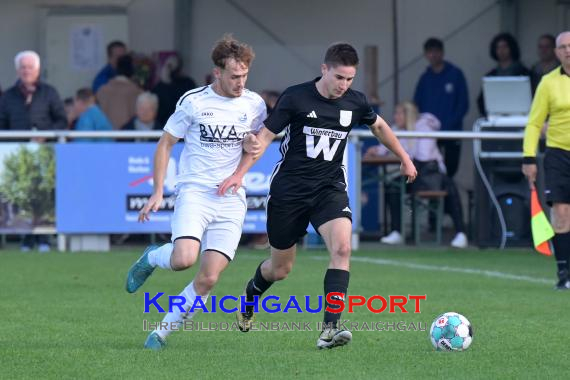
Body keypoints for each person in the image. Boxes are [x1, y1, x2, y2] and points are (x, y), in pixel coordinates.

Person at [219, 43, 417, 349]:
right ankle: (251, 294)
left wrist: (404, 156)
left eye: (350, 79)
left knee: (342, 250)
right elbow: (266, 136)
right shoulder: (296, 96)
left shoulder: (355, 102)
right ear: (324, 69)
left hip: (329, 190)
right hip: (290, 192)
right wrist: (239, 173)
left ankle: (329, 329)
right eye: (339, 77)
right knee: (280, 270)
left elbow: (378, 126)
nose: (344, 85)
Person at [125, 35, 266, 350]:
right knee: (184, 259)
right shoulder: (194, 101)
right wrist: (158, 190)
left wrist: (249, 150)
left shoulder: (254, 104)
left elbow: (256, 145)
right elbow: (165, 144)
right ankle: (152, 257)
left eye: (244, 76)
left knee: (209, 278)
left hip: (231, 199)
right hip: (195, 192)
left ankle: (160, 334)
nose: (240, 82)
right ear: (217, 72)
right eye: (233, 76)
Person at [366, 101, 468, 248]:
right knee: (393, 186)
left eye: (398, 113)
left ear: (408, 115)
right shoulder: (396, 129)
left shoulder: (424, 126)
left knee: (450, 187)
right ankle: (397, 232)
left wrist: (404, 155)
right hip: (412, 175)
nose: (395, 117)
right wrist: (375, 150)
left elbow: (423, 156)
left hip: (430, 173)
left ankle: (461, 233)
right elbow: (384, 147)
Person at [0, 50, 66, 252]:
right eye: (23, 67)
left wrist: (47, 135)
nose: (26, 71)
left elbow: (62, 121)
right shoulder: (8, 96)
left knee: (44, 195)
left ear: (37, 70)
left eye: (30, 67)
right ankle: (26, 239)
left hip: (45, 154)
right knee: (20, 195)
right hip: (16, 155)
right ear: (17, 70)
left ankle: (44, 238)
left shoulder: (49, 93)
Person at [522, 31, 570, 290]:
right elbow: (534, 123)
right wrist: (528, 157)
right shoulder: (548, 83)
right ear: (556, 53)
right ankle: (564, 273)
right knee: (561, 213)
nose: (568, 50)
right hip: (558, 154)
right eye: (563, 47)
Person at [413, 37, 468, 179]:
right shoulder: (425, 78)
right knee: (429, 170)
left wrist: (448, 125)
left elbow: (463, 104)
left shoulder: (455, 74)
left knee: (450, 170)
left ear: (442, 53)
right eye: (429, 52)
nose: (433, 55)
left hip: (452, 132)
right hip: (429, 135)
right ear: (425, 55)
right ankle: (435, 200)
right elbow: (416, 106)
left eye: (436, 51)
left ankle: (448, 199)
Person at [477, 32, 530, 116]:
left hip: (520, 119)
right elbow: (482, 101)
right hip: (495, 120)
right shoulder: (490, 76)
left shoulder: (525, 73)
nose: (501, 50)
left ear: (511, 48)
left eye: (504, 47)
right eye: (498, 47)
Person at [96, 54, 143, 129]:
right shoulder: (137, 92)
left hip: (105, 136)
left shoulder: (102, 90)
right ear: (132, 70)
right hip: (126, 136)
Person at [152, 53, 197, 126]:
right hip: (164, 126)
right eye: (168, 66)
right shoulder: (160, 86)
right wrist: (165, 82)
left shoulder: (188, 83)